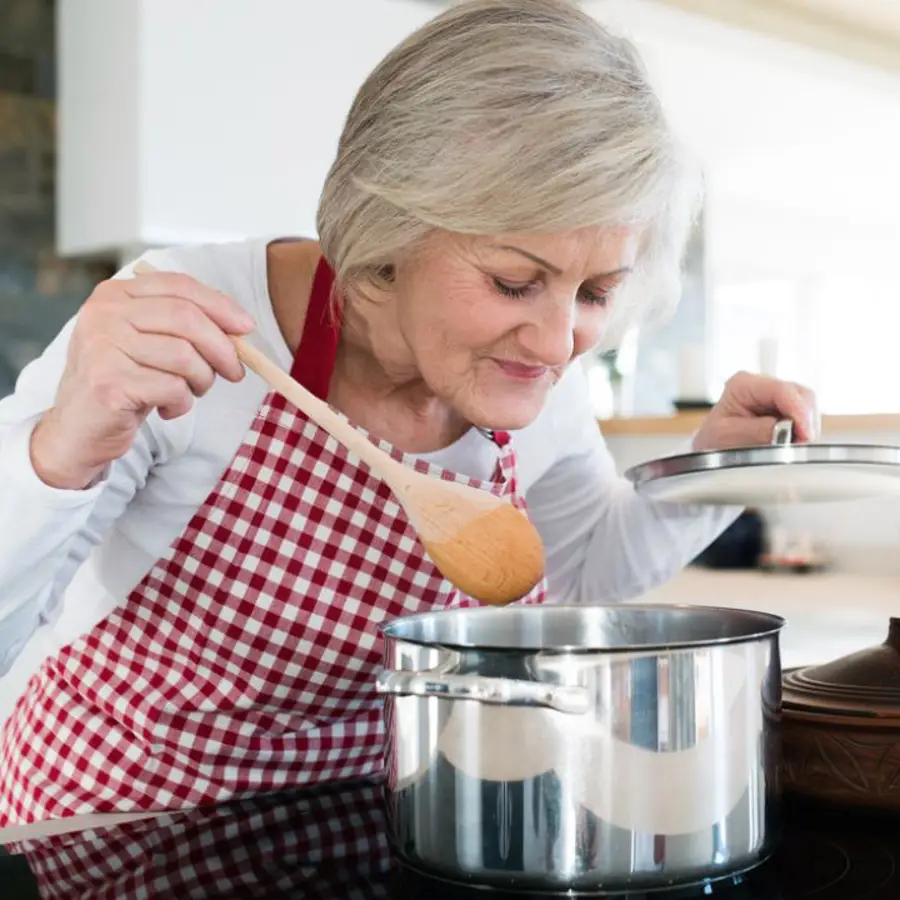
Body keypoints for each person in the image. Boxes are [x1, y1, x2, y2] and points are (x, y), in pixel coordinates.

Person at [0, 0, 816, 829]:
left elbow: (581, 570)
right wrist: (62, 451)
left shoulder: (531, 370)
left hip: (371, 830)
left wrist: (712, 470)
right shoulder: (181, 331)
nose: (559, 341)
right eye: (512, 280)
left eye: (597, 291)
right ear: (388, 225)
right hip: (116, 837)